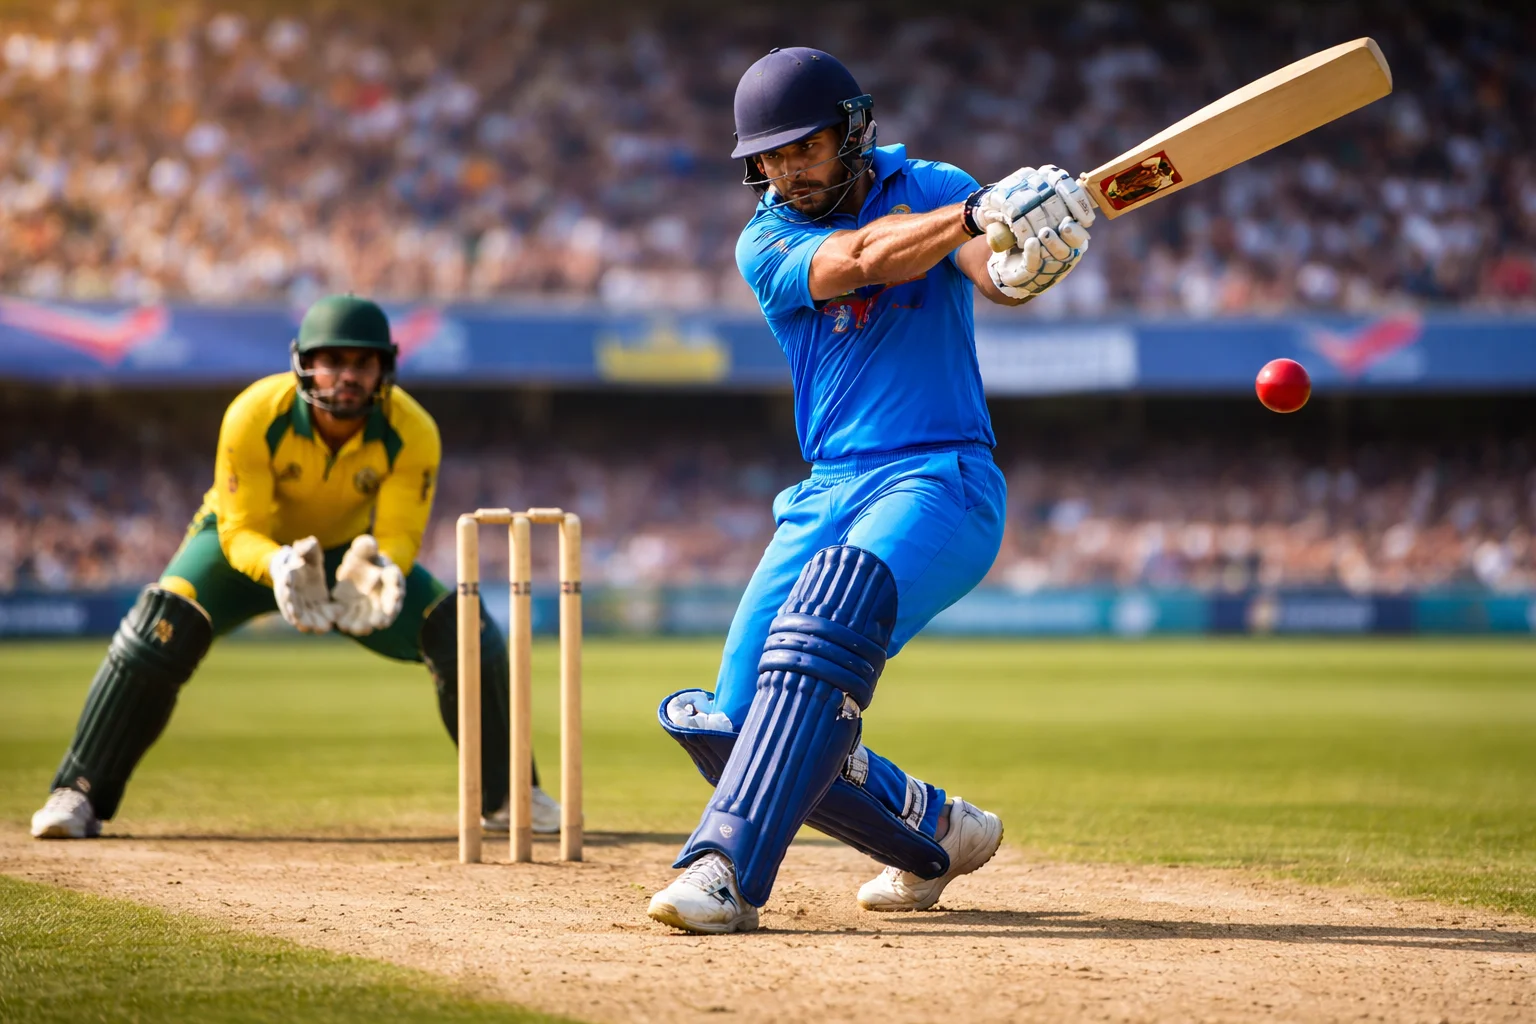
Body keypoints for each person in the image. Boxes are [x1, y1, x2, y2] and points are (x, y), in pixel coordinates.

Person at [647, 47, 1095, 933]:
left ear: (853, 129)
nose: (786, 171)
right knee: (729, 728)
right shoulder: (767, 239)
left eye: (803, 148)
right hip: (827, 490)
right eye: (768, 158)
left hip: (941, 478)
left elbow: (992, 278)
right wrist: (974, 215)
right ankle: (934, 832)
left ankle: (722, 868)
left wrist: (1024, 254)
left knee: (831, 612)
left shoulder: (933, 183)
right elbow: (857, 261)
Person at [30, 296, 560, 840]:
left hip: (347, 554)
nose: (347, 376)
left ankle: (508, 795)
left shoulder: (413, 429)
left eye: (362, 363)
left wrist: (378, 567)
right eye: (332, 360)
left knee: (466, 630)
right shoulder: (256, 413)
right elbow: (239, 530)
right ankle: (78, 793)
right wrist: (279, 562)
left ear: (385, 367)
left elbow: (400, 532)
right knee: (158, 627)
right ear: (303, 362)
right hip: (242, 549)